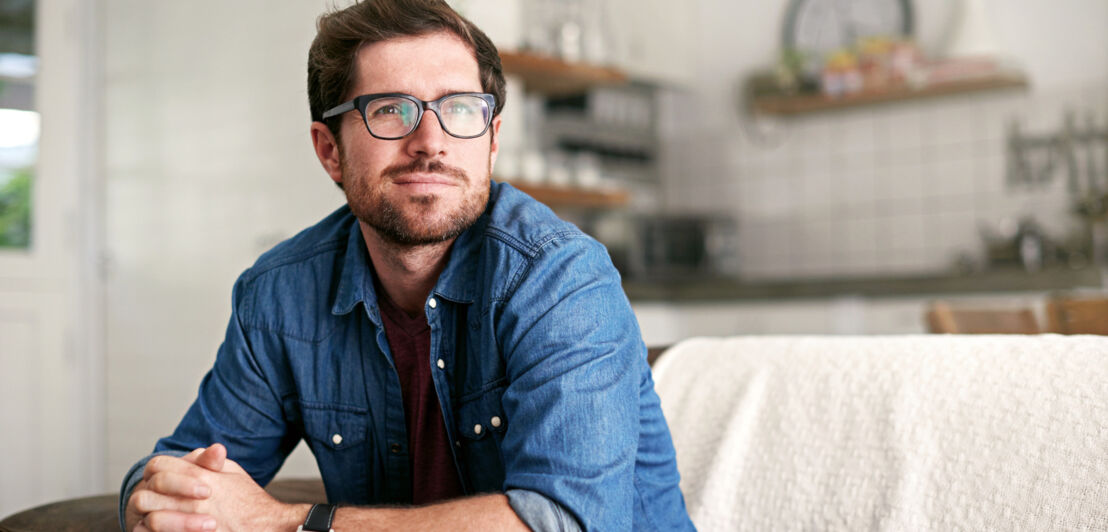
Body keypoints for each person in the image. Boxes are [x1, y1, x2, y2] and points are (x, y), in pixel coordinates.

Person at [119, 1, 694, 530]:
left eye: (460, 109)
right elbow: (179, 469)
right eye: (390, 109)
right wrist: (159, 497)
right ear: (329, 150)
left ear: (491, 141)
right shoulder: (279, 295)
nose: (430, 141)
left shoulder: (561, 278)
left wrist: (286, 521)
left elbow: (562, 523)